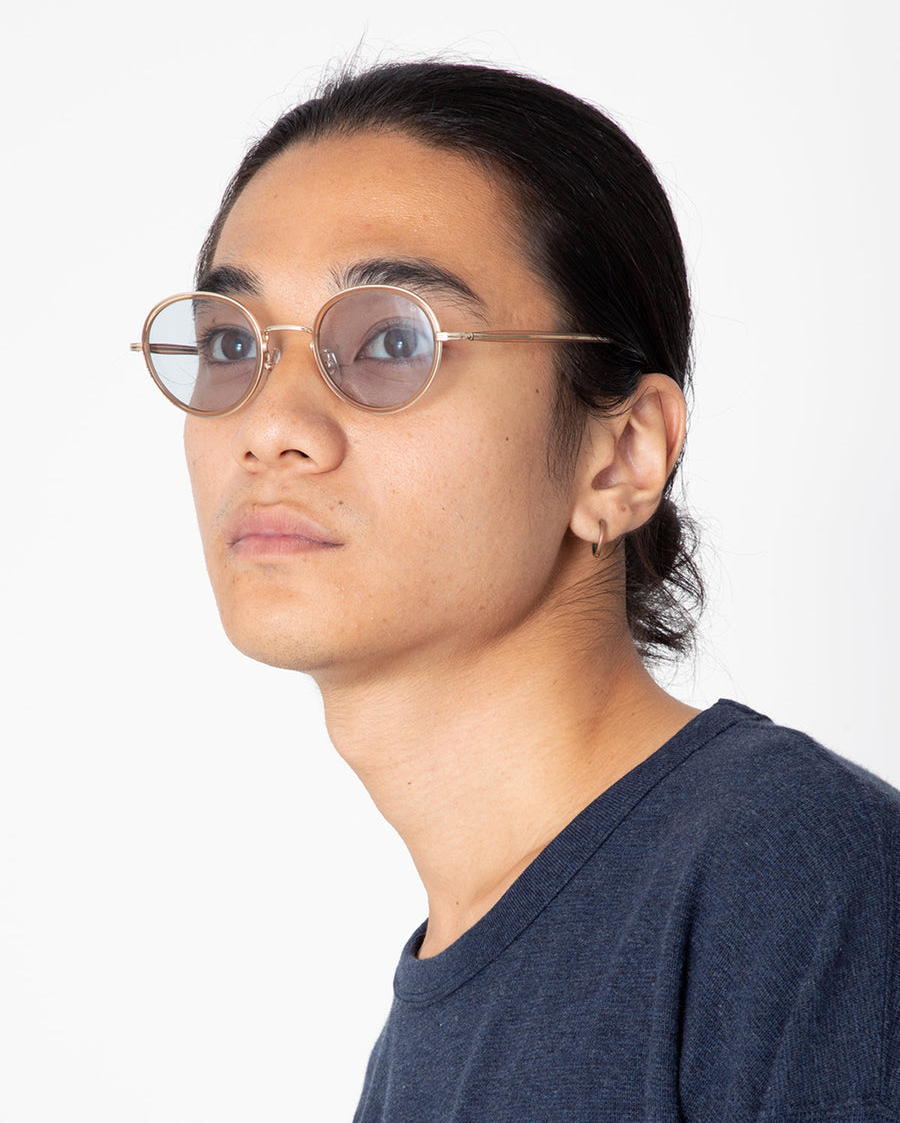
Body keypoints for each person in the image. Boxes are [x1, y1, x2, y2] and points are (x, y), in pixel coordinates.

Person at [133, 61, 900, 1121]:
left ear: (623, 455)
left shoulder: (796, 878)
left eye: (392, 342)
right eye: (232, 344)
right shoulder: (426, 1030)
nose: (270, 425)